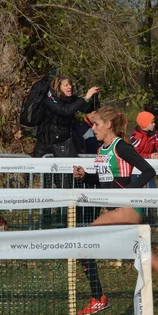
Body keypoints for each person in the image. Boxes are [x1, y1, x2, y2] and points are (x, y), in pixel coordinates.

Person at [72, 107, 158, 315]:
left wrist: (130, 190)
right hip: (117, 210)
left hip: (128, 209)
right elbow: (103, 181)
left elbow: (148, 171)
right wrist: (84, 176)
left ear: (108, 125)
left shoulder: (122, 147)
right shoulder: (102, 149)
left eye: (96, 124)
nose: (94, 129)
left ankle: (99, 296)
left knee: (84, 242)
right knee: (149, 258)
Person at [33, 75, 98, 226]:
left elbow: (88, 108)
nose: (69, 87)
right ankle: (46, 221)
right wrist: (85, 97)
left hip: (65, 148)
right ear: (58, 87)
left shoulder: (72, 99)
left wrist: (93, 97)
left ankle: (67, 220)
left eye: (70, 85)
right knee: (49, 189)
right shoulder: (49, 100)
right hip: (47, 150)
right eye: (66, 85)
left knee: (68, 186)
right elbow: (65, 111)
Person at [130, 111, 158, 188]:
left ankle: (151, 199)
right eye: (152, 122)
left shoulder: (155, 134)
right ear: (144, 124)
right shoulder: (136, 138)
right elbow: (134, 155)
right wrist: (149, 157)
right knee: (135, 189)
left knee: (151, 188)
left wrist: (157, 155)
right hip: (135, 168)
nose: (154, 124)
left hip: (148, 167)